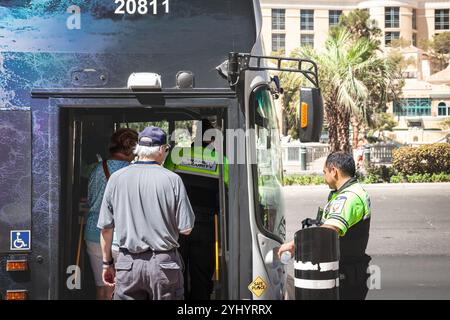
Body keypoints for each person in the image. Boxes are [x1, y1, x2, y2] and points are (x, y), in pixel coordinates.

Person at [98, 126, 195, 300]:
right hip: (164, 265)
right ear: (160, 150)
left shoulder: (116, 179)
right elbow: (186, 228)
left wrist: (107, 264)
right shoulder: (173, 180)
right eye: (166, 149)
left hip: (127, 265)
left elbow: (106, 229)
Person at [278, 151, 371, 300]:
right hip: (346, 272)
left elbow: (329, 230)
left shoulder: (349, 197)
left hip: (346, 276)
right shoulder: (348, 192)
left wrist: (295, 245)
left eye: (324, 172)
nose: (324, 177)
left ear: (334, 171)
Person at [164, 119, 228, 300]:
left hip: (177, 224)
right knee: (202, 272)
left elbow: (165, 181)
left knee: (178, 268)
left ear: (196, 136)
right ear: (212, 139)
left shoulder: (178, 154)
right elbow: (230, 189)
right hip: (206, 224)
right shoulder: (221, 160)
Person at [84, 128, 138, 300]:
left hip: (93, 234)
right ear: (132, 149)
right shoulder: (132, 172)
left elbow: (91, 199)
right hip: (121, 237)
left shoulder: (95, 169)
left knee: (102, 287)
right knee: (119, 290)